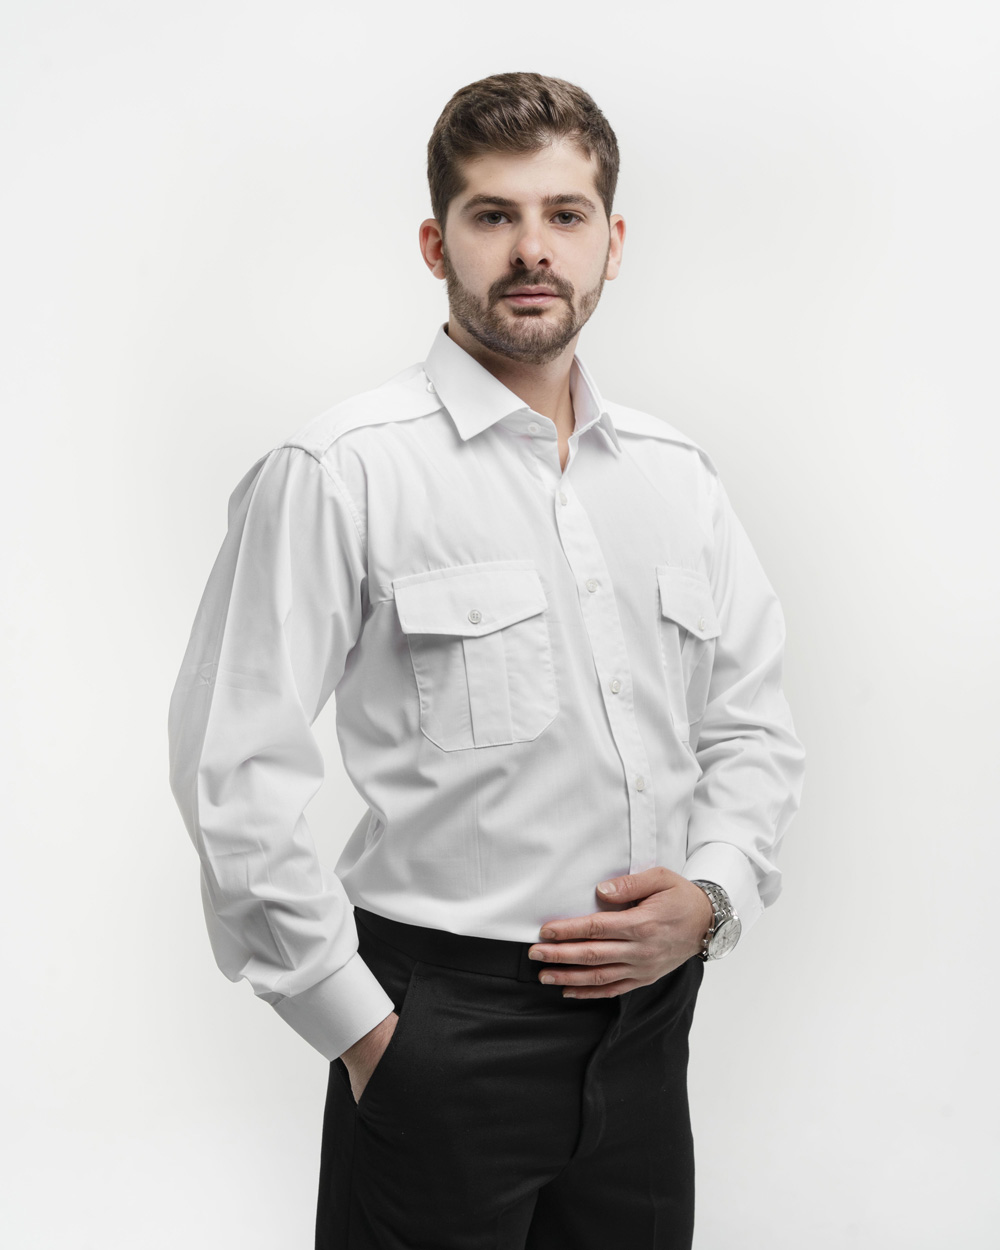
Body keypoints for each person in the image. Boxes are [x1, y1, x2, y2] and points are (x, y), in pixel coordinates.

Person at [167, 70, 806, 1250]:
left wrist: (711, 896)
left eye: (565, 214)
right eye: (493, 214)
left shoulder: (676, 478)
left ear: (612, 242)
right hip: (436, 1032)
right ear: (436, 242)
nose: (532, 249)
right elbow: (233, 769)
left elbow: (752, 725)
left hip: (649, 1034)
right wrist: (365, 1034)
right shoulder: (343, 469)